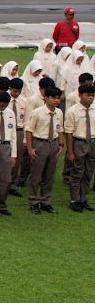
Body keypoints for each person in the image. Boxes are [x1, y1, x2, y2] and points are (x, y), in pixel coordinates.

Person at [25, 85, 64, 214]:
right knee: (36, 174)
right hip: (40, 143)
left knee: (50, 174)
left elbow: (59, 129)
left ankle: (45, 200)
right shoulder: (37, 112)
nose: (56, 100)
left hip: (53, 144)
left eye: (58, 98)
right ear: (46, 98)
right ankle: (33, 200)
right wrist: (30, 149)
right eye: (53, 98)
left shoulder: (59, 112)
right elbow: (29, 131)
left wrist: (61, 145)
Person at [62, 82, 95, 212]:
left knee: (88, 172)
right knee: (77, 173)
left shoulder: (93, 110)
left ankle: (83, 198)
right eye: (88, 95)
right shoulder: (72, 111)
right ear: (80, 95)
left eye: (92, 95)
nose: (91, 98)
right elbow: (69, 133)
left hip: (92, 142)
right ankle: (75, 200)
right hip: (79, 142)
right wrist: (70, 152)